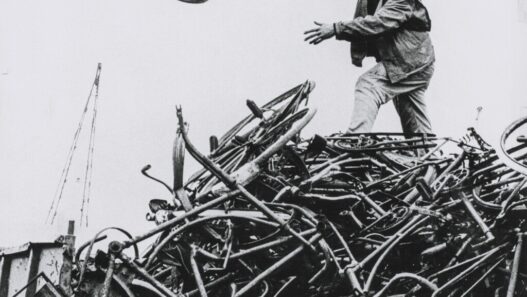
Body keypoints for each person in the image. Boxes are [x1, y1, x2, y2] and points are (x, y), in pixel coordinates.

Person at [304, 0, 435, 135]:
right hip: (415, 63)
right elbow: (364, 24)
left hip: (410, 63)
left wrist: (336, 28)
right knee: (413, 113)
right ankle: (426, 153)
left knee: (368, 84)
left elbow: (377, 23)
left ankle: (354, 138)